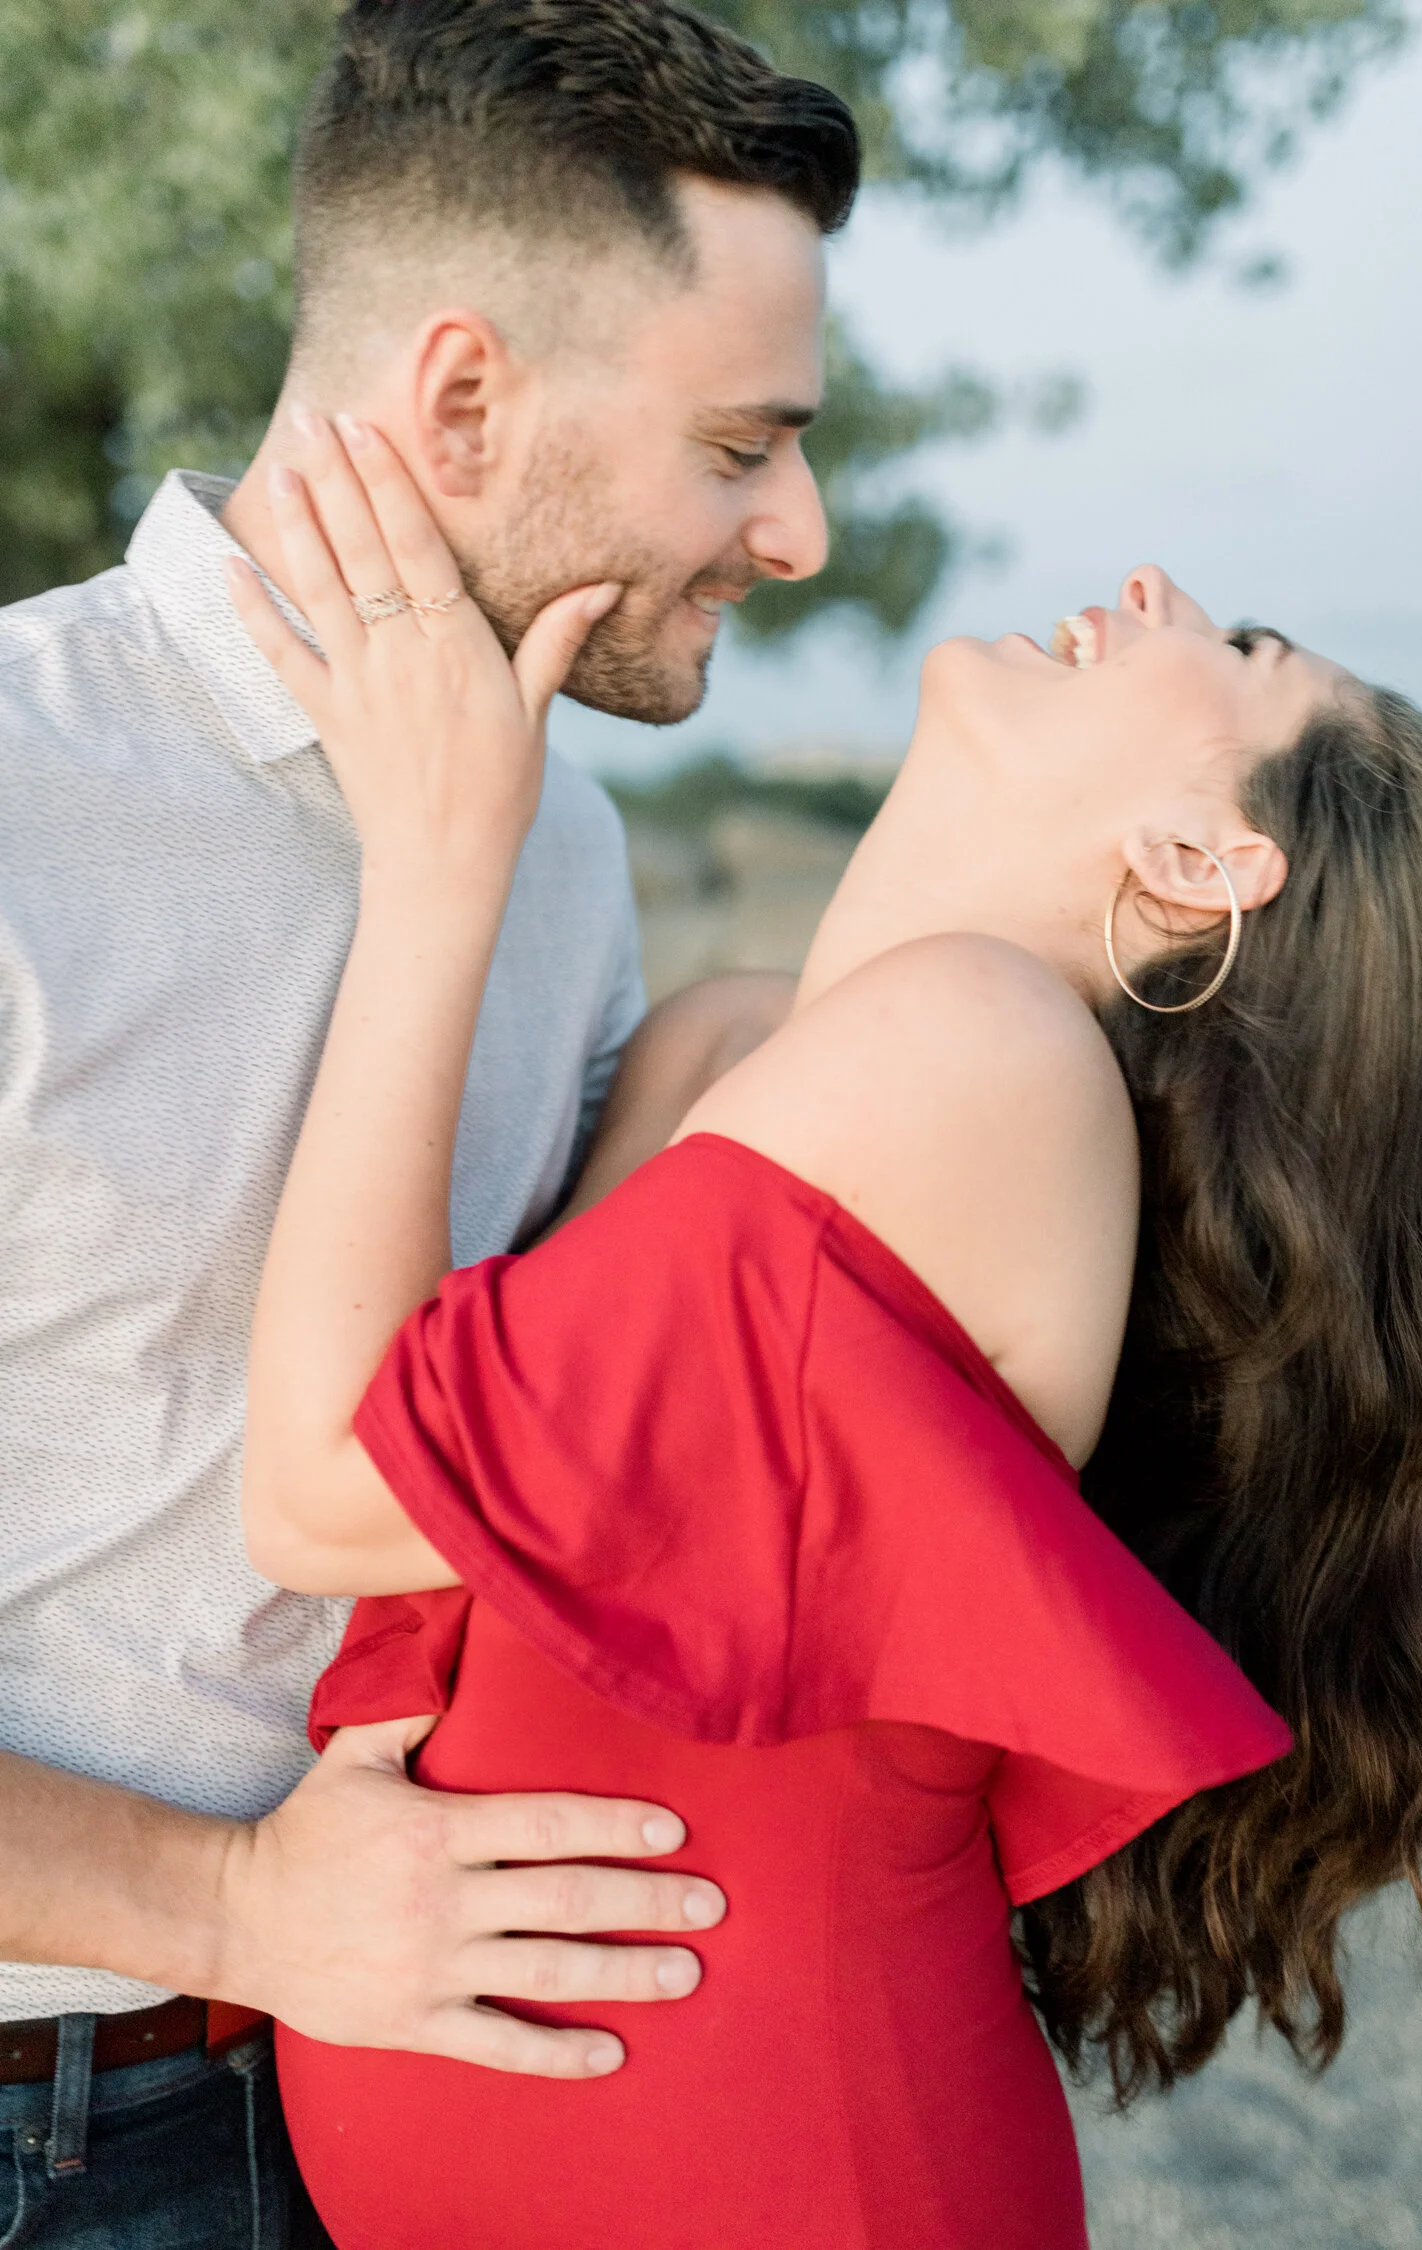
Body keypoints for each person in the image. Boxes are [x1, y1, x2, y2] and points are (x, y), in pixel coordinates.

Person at [231, 400, 1422, 2246]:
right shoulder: (735, 1044)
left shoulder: (986, 1049)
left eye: (1238, 653)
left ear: (1207, 858)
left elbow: (330, 1488)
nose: (1157, 587)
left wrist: (439, 862)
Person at [0, 3, 858, 2239]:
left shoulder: (557, 839)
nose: (802, 532)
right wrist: (239, 1910)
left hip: (408, 2097)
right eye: (747, 446)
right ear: (463, 398)